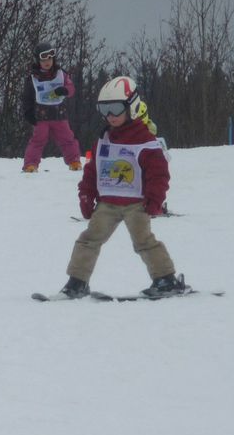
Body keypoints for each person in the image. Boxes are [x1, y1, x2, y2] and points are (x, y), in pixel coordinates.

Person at [57, 76, 186, 298]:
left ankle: (166, 279)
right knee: (89, 239)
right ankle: (77, 282)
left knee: (143, 241)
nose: (110, 116)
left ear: (132, 106)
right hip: (107, 204)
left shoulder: (145, 140)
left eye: (116, 108)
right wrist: (86, 196)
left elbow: (159, 174)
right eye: (104, 109)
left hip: (137, 204)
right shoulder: (104, 139)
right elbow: (92, 171)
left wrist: (154, 200)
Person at [21, 42, 82, 173]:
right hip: (41, 116)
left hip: (59, 115)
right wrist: (28, 112)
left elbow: (71, 89)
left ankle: (74, 161)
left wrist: (64, 90)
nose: (47, 62)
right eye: (43, 59)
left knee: (67, 138)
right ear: (38, 61)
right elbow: (27, 97)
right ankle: (30, 164)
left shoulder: (61, 74)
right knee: (38, 140)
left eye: (49, 59)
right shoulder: (32, 78)